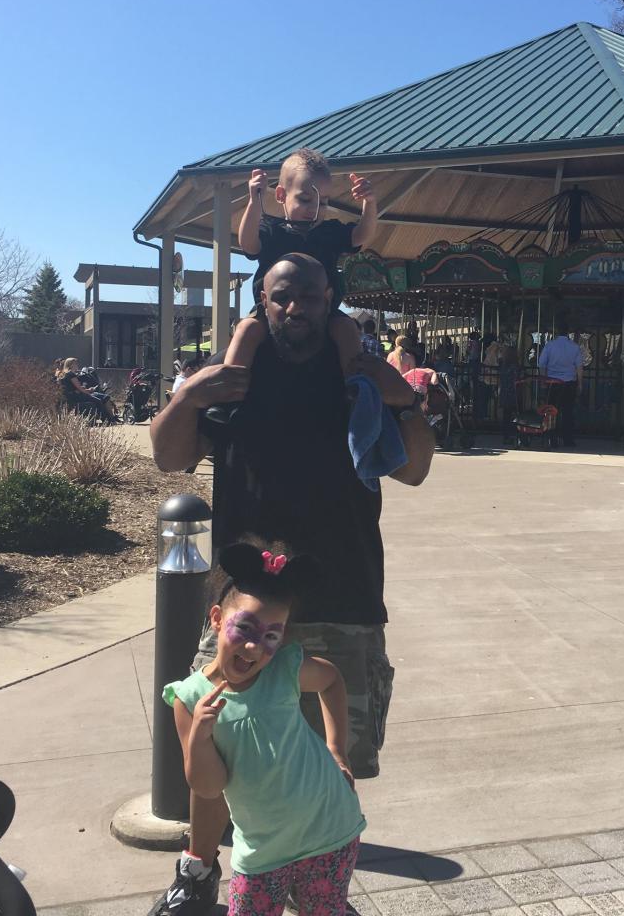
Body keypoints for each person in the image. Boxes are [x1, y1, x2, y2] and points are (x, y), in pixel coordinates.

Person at [148, 254, 434, 916]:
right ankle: (198, 870)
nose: (295, 308)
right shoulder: (239, 382)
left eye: (309, 296)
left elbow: (414, 471)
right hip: (248, 604)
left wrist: (409, 402)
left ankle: (317, 882)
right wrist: (188, 393)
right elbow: (169, 455)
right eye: (283, 297)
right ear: (264, 301)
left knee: (335, 763)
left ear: (329, 299)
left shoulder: (356, 382)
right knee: (215, 745)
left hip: (345, 597)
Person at [165, 539, 364, 916]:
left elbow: (331, 680)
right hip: (262, 850)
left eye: (271, 635)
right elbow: (207, 786)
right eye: (246, 628)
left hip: (330, 830)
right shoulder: (189, 698)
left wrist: (337, 748)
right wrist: (202, 736)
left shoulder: (283, 671)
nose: (255, 647)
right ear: (217, 619)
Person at [232, 148, 378, 377]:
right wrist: (254, 202)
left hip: (323, 311)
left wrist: (369, 204)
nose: (314, 209)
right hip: (271, 312)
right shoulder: (272, 230)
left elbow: (360, 236)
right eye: (305, 199)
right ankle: (226, 391)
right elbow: (248, 244)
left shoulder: (329, 231)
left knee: (347, 329)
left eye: (322, 203)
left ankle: (357, 391)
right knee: (246, 329)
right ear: (281, 195)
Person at [537, 323, 583, 448]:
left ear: (556, 331)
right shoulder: (574, 347)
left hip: (552, 383)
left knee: (551, 412)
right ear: (568, 332)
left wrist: (543, 381)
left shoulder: (549, 346)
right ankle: (568, 439)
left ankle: (552, 438)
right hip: (569, 383)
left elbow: (542, 364)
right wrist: (580, 384)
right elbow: (579, 367)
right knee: (568, 412)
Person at [57, 357, 113, 422]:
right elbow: (80, 389)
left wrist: (87, 390)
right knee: (98, 401)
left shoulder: (64, 374)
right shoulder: (71, 374)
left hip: (71, 396)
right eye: (75, 363)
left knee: (99, 398)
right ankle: (107, 420)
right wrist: (89, 391)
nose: (77, 365)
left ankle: (108, 418)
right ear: (71, 365)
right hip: (75, 397)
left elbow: (73, 387)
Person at [499, 347, 520, 446]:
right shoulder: (514, 367)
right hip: (513, 393)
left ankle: (506, 436)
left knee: (506, 415)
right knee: (515, 415)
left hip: (505, 392)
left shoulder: (504, 366)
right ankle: (514, 435)